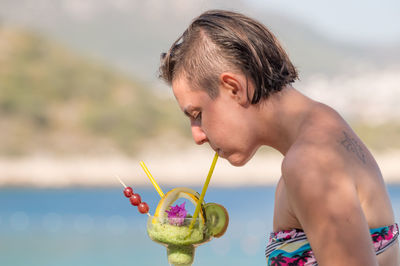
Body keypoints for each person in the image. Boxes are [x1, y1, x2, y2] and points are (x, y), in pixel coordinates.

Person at [159, 9, 399, 265]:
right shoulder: (326, 128)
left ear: (234, 88)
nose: (197, 135)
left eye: (197, 113)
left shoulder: (310, 163)